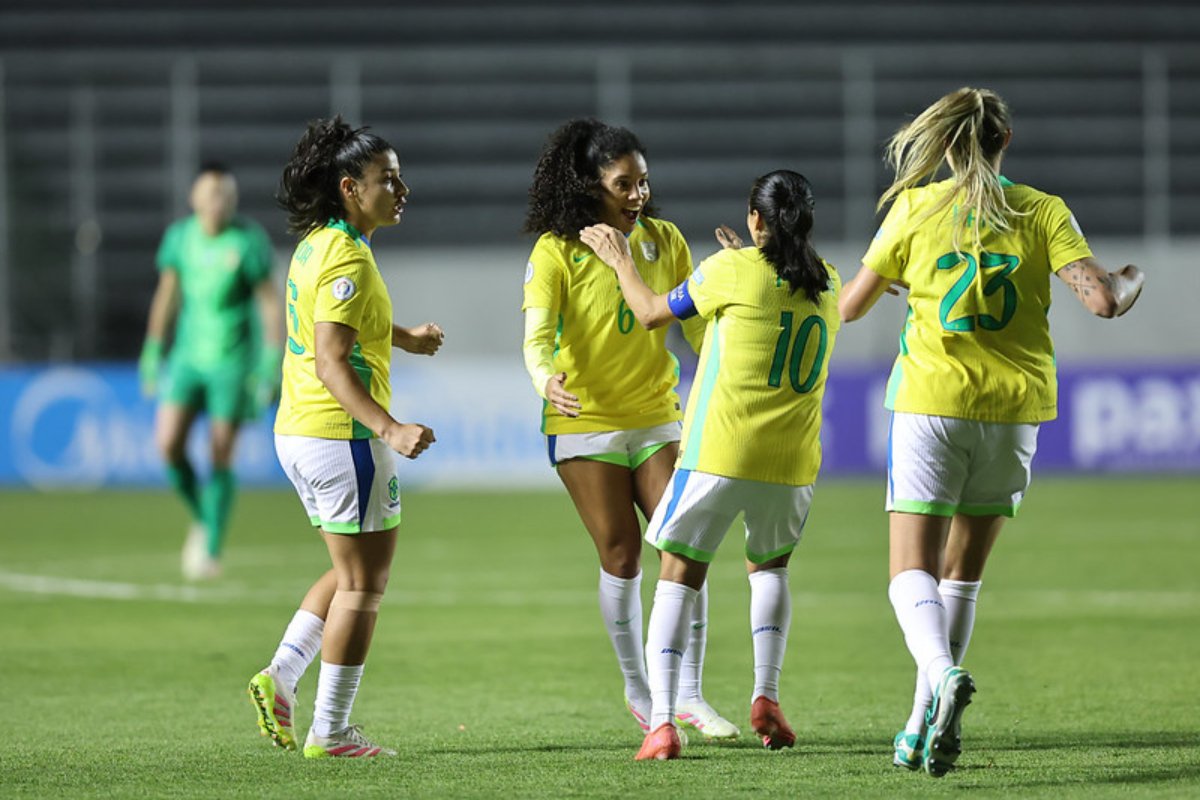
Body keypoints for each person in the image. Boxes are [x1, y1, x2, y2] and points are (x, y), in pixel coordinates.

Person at [837, 87, 1146, 777]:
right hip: (1013, 413)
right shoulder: (1041, 210)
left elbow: (851, 307)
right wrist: (1132, 277)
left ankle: (942, 679)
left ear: (945, 146)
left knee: (908, 570)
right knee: (963, 578)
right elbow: (1102, 300)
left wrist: (903, 282)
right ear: (1007, 141)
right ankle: (919, 726)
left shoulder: (914, 208)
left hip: (930, 403)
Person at [582, 170, 841, 760]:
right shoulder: (827, 279)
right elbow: (762, 302)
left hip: (720, 451)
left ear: (755, 219)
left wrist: (622, 259)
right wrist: (740, 264)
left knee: (678, 574)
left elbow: (651, 313)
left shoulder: (729, 270)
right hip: (793, 461)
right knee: (769, 570)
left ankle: (664, 723)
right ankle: (767, 697)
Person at [521, 118, 737, 739]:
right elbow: (536, 340)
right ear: (591, 184)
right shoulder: (555, 252)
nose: (638, 193)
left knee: (683, 546)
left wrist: (732, 311)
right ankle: (642, 692)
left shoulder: (665, 241)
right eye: (624, 183)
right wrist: (545, 381)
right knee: (620, 555)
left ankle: (688, 694)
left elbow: (694, 330)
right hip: (583, 421)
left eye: (643, 180)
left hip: (655, 416)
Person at [246, 116, 443, 759]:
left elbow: (339, 328)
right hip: (342, 437)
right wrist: (390, 426)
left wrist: (404, 337)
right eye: (387, 179)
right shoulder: (348, 256)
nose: (400, 188)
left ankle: (282, 674)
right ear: (350, 187)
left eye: (399, 176)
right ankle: (330, 730)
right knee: (366, 584)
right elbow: (331, 359)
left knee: (347, 569)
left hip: (300, 431)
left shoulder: (317, 243)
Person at [139, 162, 283, 581]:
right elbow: (167, 295)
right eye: (211, 195)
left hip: (233, 362)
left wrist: (269, 362)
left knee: (221, 450)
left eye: (226, 196)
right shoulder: (180, 238)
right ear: (195, 199)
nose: (219, 202)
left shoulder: (248, 241)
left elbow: (269, 302)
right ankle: (204, 516)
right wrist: (152, 348)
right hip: (186, 359)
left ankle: (212, 547)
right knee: (168, 445)